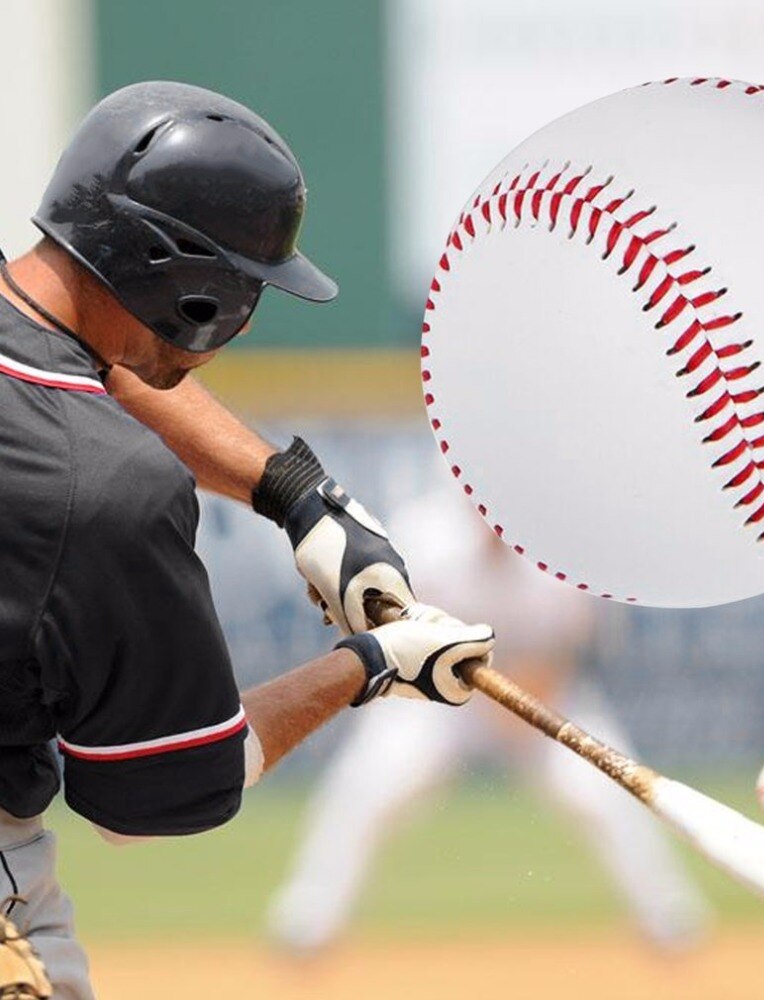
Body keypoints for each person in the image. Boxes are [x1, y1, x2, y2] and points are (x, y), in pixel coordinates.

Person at [0, 81, 494, 1000]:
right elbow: (158, 797)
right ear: (187, 286)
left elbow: (75, 361)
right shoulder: (105, 489)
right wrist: (373, 664)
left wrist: (296, 495)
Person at [268, 487, 711, 953]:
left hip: (536, 693)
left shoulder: (561, 548)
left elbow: (572, 646)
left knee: (604, 789)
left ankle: (670, 916)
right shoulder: (425, 537)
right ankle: (307, 919)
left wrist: (520, 700)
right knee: (369, 784)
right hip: (433, 698)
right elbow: (388, 633)